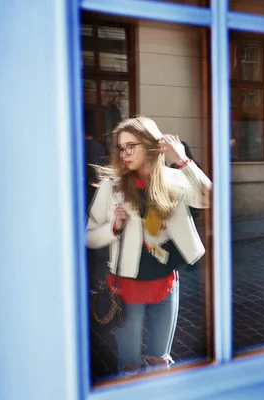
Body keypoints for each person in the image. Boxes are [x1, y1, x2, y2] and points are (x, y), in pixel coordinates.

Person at [86, 116, 211, 374]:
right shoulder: (112, 187)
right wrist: (113, 229)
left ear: (150, 144)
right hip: (126, 290)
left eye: (131, 146)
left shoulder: (174, 179)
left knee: (159, 361)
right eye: (121, 148)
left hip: (166, 284)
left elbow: (208, 197)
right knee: (130, 366)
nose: (124, 154)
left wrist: (182, 159)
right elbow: (87, 236)